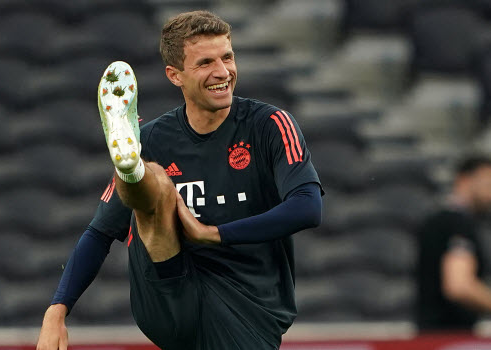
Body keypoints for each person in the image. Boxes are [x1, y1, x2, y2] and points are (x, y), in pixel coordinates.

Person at [36, 11, 323, 350]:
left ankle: (135, 172)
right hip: (166, 288)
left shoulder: (271, 125)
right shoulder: (154, 138)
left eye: (227, 57)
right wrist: (57, 309)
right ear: (175, 75)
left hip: (247, 307)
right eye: (205, 62)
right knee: (156, 181)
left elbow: (308, 206)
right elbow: (99, 232)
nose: (222, 72)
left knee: (157, 182)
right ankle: (130, 169)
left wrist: (212, 234)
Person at [416, 155, 491, 332]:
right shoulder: (456, 224)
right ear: (465, 180)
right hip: (447, 337)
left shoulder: (438, 220)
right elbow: (459, 286)